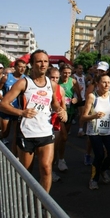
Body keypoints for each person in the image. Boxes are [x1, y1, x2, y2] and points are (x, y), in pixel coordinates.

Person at [0, 49, 67, 192]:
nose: (43, 65)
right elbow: (3, 104)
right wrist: (21, 112)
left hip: (46, 132)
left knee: (47, 169)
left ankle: (44, 206)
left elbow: (54, 103)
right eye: (39, 61)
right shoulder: (24, 83)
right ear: (31, 64)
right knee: (27, 174)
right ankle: (27, 202)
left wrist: (61, 111)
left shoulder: (52, 84)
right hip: (27, 133)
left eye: (45, 61)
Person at [81, 74, 110, 190]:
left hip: (108, 130)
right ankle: (94, 179)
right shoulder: (92, 97)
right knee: (99, 155)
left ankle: (102, 169)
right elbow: (83, 117)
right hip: (94, 131)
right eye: (104, 82)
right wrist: (94, 116)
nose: (107, 85)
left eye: (108, 82)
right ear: (97, 84)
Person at [57, 64, 81, 172]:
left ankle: (60, 159)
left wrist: (75, 100)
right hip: (58, 112)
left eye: (68, 73)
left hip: (70, 112)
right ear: (60, 72)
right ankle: (58, 159)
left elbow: (79, 96)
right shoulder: (56, 81)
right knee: (64, 136)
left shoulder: (73, 81)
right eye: (64, 73)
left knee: (62, 139)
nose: (66, 75)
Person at [0, 59, 27, 153]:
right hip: (6, 109)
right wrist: (3, 98)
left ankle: (15, 156)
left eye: (24, 67)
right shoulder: (6, 78)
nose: (22, 69)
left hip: (18, 110)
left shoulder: (26, 79)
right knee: (5, 133)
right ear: (15, 67)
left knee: (16, 134)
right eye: (20, 66)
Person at [46, 67, 66, 182]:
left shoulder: (61, 90)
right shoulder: (41, 88)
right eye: (52, 77)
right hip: (41, 123)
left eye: (57, 78)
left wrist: (64, 114)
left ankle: (51, 171)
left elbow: (63, 107)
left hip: (55, 122)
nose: (54, 80)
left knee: (53, 149)